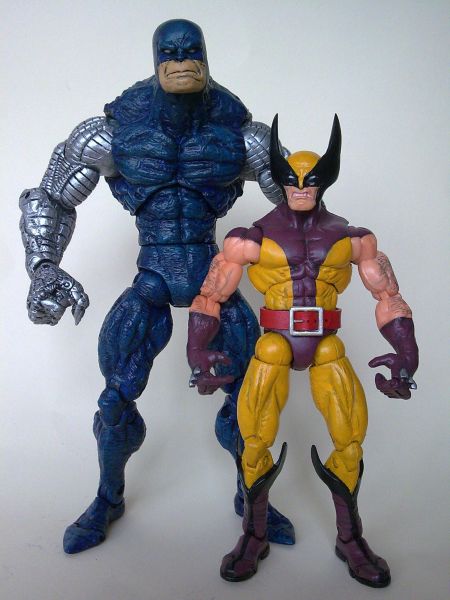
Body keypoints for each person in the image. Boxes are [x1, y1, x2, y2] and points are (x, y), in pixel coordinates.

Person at [19, 19, 295, 554]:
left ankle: (252, 495)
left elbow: (298, 206)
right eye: (170, 52)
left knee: (251, 398)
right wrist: (43, 265)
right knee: (115, 400)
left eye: (192, 51)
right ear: (155, 58)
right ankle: (108, 497)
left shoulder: (244, 137)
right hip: (153, 275)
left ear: (207, 57)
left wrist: (307, 277)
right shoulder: (112, 133)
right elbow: (50, 197)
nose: (182, 60)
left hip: (213, 276)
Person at [187, 114, 418, 587]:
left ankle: (350, 538)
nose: (299, 187)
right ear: (279, 179)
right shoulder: (250, 238)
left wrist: (406, 353)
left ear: (324, 180)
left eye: (310, 180)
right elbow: (210, 295)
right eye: (291, 179)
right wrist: (197, 351)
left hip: (326, 343)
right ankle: (254, 534)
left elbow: (388, 296)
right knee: (255, 440)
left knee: (350, 439)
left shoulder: (352, 239)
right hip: (274, 343)